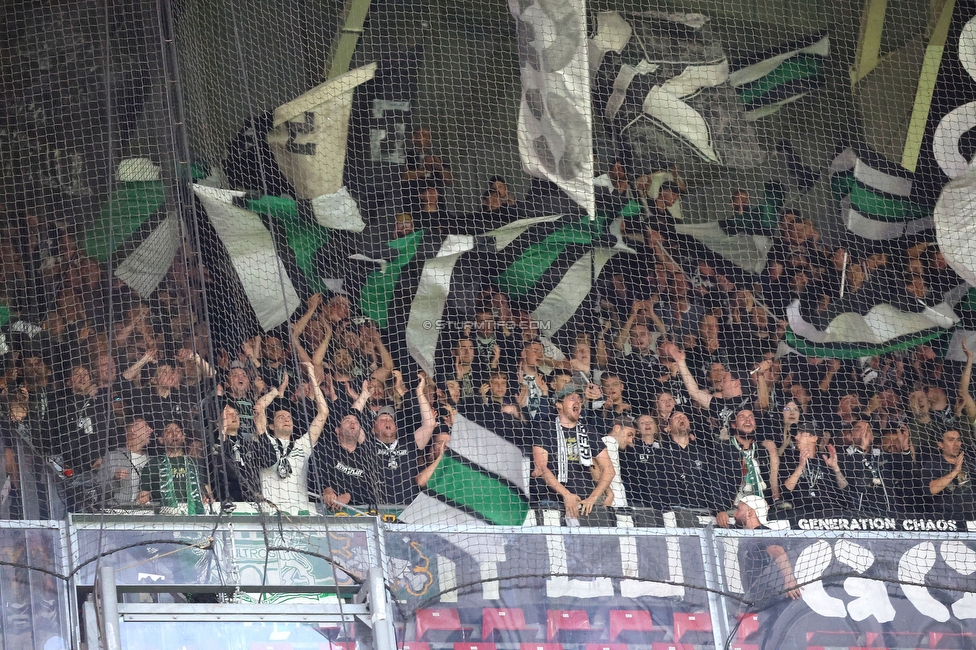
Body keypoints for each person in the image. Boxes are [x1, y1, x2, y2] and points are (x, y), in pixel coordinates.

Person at [532, 383, 614, 525]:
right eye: (571, 398)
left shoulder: (589, 431)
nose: (577, 402)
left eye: (579, 399)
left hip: (585, 505)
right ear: (559, 404)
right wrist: (566, 495)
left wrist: (594, 498)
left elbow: (609, 470)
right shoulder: (545, 430)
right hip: (553, 504)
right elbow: (542, 469)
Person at [252, 362, 328, 515]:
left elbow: (323, 412)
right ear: (271, 426)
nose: (286, 419)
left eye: (289, 417)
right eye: (280, 417)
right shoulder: (265, 440)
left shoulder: (303, 444)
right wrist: (277, 392)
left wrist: (312, 375)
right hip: (271, 513)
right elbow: (259, 407)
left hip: (301, 513)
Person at [362, 375, 436, 505]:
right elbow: (350, 420)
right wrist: (364, 395)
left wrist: (419, 392)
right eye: (382, 419)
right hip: (377, 510)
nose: (387, 420)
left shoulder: (408, 443)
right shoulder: (367, 444)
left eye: (390, 419)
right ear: (373, 429)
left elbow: (429, 423)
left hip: (408, 509)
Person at [137, 421, 213, 514]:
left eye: (177, 430)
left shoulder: (195, 463)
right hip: (165, 516)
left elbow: (207, 493)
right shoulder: (152, 465)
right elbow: (144, 496)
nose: (174, 434)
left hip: (192, 515)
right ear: (161, 440)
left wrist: (206, 499)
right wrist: (142, 500)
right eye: (169, 431)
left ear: (184, 437)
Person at [714, 410, 771, 527]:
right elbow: (716, 481)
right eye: (742, 417)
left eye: (751, 417)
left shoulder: (762, 451)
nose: (748, 420)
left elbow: (768, 480)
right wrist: (719, 509)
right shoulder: (723, 449)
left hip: (761, 511)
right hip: (733, 510)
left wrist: (769, 502)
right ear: (733, 425)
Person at [779, 427, 849, 518]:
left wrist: (836, 468)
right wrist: (800, 466)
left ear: (814, 438)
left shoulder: (826, 458)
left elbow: (845, 489)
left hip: (829, 512)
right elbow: (785, 491)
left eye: (800, 434)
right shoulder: (790, 459)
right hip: (801, 512)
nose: (796, 437)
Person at [838, 420, 891, 515]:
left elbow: (906, 477)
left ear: (873, 437)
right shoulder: (842, 456)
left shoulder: (882, 456)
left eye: (868, 430)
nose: (864, 432)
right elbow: (857, 482)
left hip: (887, 512)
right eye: (859, 429)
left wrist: (906, 449)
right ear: (850, 436)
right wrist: (861, 449)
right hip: (858, 513)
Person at [98, 417, 152, 508]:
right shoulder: (113, 457)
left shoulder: (150, 460)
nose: (151, 430)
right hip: (118, 511)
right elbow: (99, 488)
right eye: (146, 426)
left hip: (145, 512)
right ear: (134, 430)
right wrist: (115, 478)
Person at [593, 415, 637, 527]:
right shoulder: (610, 441)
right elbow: (595, 467)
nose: (630, 441)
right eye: (629, 435)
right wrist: (609, 493)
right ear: (617, 428)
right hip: (615, 503)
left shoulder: (610, 444)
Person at [923, 429, 975, 520]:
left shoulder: (969, 462)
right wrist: (955, 471)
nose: (957, 444)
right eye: (951, 440)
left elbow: (965, 487)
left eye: (958, 440)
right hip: (943, 518)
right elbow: (931, 490)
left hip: (970, 517)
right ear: (940, 444)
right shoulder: (933, 463)